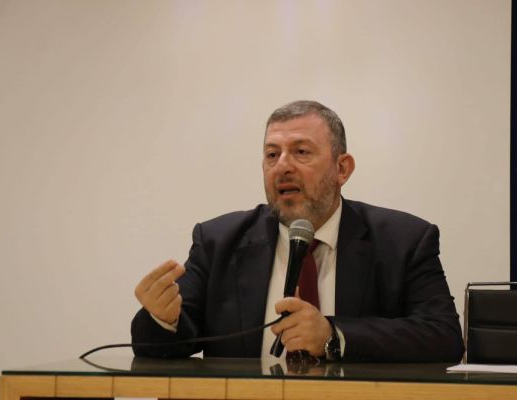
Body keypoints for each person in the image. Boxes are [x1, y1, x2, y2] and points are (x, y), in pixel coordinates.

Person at [131, 100, 464, 362]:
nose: (282, 166)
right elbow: (173, 342)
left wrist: (333, 336)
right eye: (272, 155)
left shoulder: (404, 241)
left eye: (301, 152)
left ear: (342, 168)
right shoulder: (217, 241)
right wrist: (163, 319)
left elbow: (443, 336)